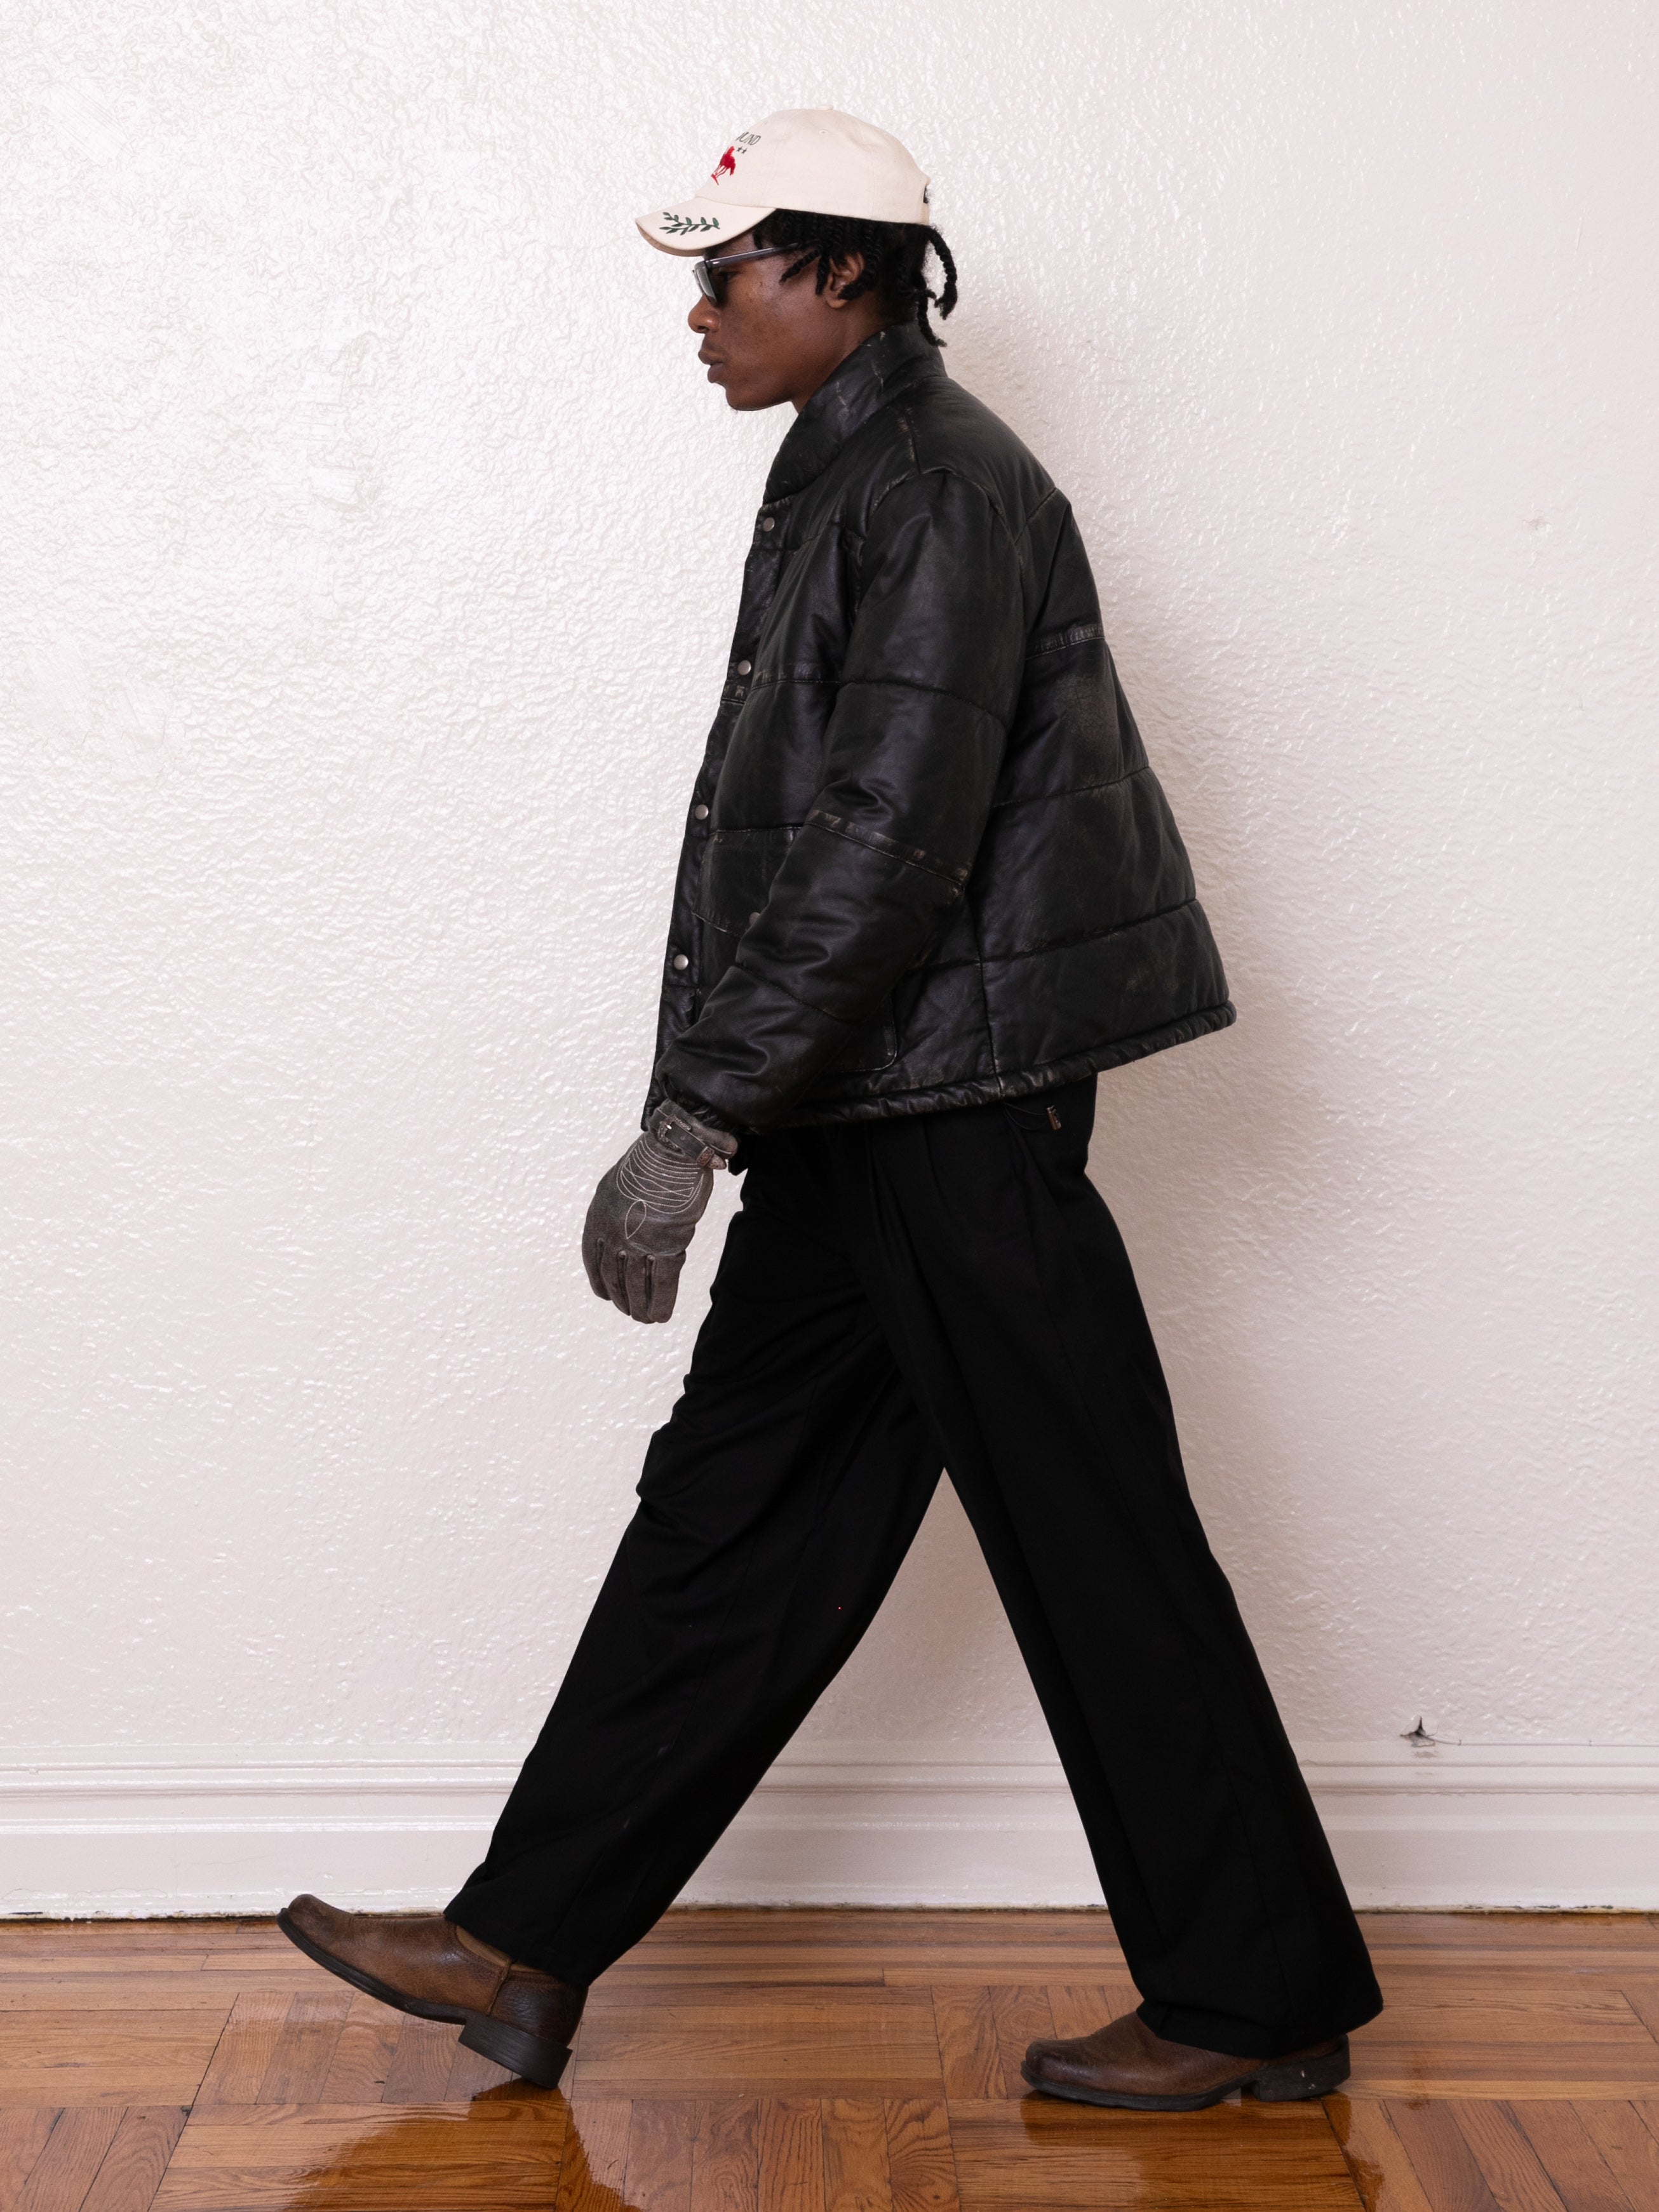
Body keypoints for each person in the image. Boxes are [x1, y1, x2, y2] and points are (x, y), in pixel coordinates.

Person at [279, 107, 1382, 2112]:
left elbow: (887, 840)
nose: (696, 315)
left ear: (845, 273)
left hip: (952, 1107)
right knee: (733, 1517)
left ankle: (1253, 1996)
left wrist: (693, 1115)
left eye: (726, 273)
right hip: (871, 1104)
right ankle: (523, 1944)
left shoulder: (939, 490)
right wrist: (737, 1109)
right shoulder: (850, 472)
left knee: (1092, 1531)